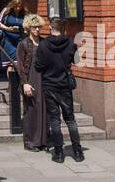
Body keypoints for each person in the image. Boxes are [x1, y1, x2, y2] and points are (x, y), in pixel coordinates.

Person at [35, 16, 83, 162]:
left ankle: (59, 153)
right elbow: (77, 61)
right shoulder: (70, 43)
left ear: (50, 27)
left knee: (55, 120)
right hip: (64, 86)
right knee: (70, 120)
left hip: (49, 85)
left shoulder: (43, 46)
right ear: (63, 28)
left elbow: (38, 66)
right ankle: (78, 152)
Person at [14, 14, 48, 151]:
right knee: (31, 111)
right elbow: (20, 66)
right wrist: (25, 83)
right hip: (30, 80)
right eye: (34, 27)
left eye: (39, 27)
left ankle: (43, 141)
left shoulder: (44, 42)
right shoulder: (23, 44)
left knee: (44, 111)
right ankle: (31, 142)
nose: (37, 30)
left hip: (44, 80)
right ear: (29, 28)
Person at [0, 0, 25, 67]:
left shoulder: (23, 13)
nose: (18, 9)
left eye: (20, 7)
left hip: (19, 40)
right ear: (13, 5)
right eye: (16, 7)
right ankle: (10, 77)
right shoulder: (6, 11)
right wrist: (8, 29)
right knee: (10, 64)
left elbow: (27, 24)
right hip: (7, 41)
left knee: (19, 63)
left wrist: (23, 30)